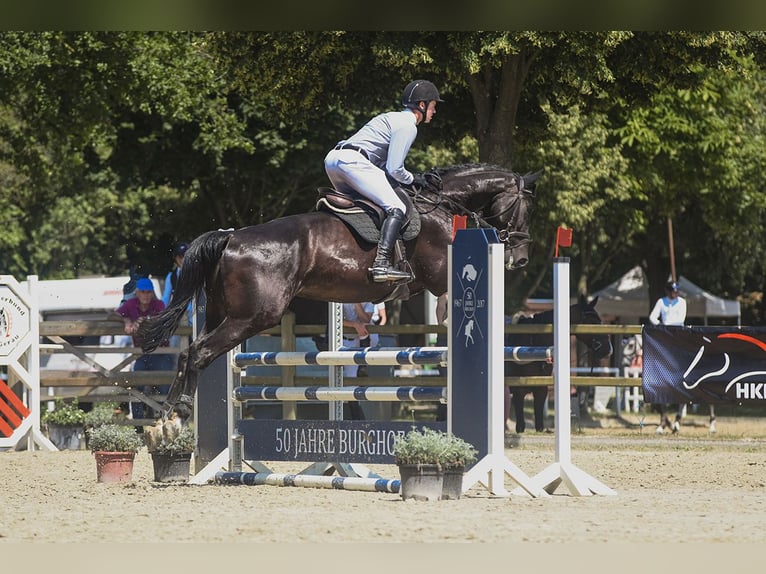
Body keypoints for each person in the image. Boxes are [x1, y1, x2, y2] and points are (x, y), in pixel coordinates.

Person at [324, 80, 443, 283]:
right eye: (433, 106)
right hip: (354, 163)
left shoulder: (390, 117)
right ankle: (381, 264)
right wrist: (415, 178)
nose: (434, 111)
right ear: (422, 105)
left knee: (363, 208)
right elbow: (394, 169)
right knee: (397, 208)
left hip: (334, 160)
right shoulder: (408, 126)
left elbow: (382, 167)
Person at [109, 277, 173, 421]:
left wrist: (145, 321)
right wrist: (126, 320)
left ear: (152, 293)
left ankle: (167, 421)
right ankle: (138, 424)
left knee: (165, 389)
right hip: (141, 354)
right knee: (137, 387)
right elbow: (111, 315)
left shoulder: (159, 304)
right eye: (142, 292)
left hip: (160, 353)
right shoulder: (131, 304)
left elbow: (163, 319)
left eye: (148, 292)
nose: (145, 295)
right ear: (137, 293)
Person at [648, 280, 688, 434]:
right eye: (672, 290)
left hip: (677, 338)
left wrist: (667, 324)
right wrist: (660, 325)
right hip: (665, 338)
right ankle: (663, 417)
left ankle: (678, 417)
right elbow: (652, 317)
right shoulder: (661, 302)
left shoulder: (682, 303)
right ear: (667, 291)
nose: (674, 293)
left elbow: (681, 319)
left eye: (676, 291)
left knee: (683, 376)